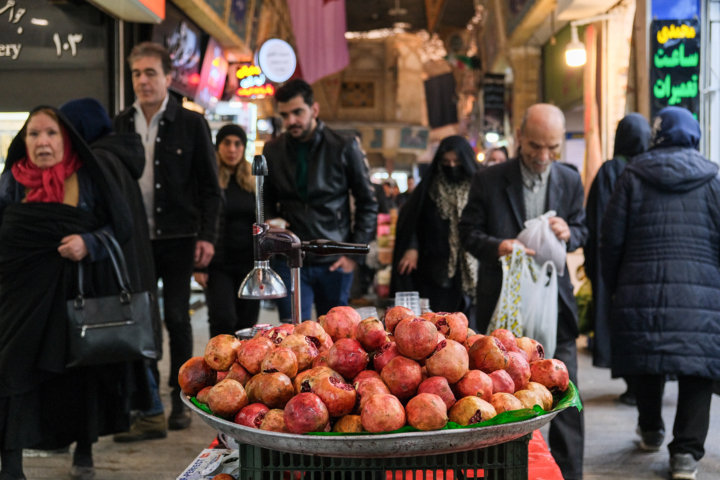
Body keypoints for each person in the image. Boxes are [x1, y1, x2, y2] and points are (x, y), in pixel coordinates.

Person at [0, 107, 150, 480]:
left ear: (66, 141)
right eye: (33, 134)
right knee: (12, 372)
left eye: (51, 133)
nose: (42, 142)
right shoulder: (13, 182)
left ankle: (83, 450)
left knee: (78, 374)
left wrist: (89, 242)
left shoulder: (89, 177)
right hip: (20, 297)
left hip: (76, 291)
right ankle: (12, 464)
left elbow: (122, 226)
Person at [459, 104, 586, 480]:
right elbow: (468, 233)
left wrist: (570, 233)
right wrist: (500, 246)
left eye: (552, 147)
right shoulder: (489, 179)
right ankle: (501, 470)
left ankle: (569, 474)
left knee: (566, 398)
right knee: (497, 394)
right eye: (535, 146)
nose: (543, 156)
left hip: (554, 306)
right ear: (519, 137)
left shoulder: (570, 179)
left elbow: (583, 228)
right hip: (504, 311)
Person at [601, 107, 720, 480]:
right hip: (702, 294)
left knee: (647, 357)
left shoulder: (632, 176)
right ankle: (685, 454)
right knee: (697, 368)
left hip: (641, 287)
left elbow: (611, 240)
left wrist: (616, 284)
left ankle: (651, 430)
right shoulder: (714, 179)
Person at [112, 42, 222, 438]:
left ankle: (180, 399)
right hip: (135, 242)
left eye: (150, 73)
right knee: (141, 323)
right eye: (137, 73)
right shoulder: (121, 123)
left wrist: (207, 237)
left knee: (177, 317)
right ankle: (148, 404)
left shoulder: (191, 124)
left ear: (168, 77)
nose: (143, 80)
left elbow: (211, 188)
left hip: (180, 238)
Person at [59, 97, 165, 425]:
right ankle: (148, 411)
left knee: (122, 340)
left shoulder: (99, 160)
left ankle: (150, 412)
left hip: (113, 263)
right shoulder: (119, 154)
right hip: (133, 260)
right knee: (132, 337)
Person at [263, 79, 378, 321]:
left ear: (314, 109)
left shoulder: (344, 146)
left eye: (298, 112)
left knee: (336, 339)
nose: (291, 121)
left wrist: (352, 256)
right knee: (293, 335)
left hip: (334, 258)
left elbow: (368, 202)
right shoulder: (272, 150)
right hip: (291, 257)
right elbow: (267, 200)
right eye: (285, 115)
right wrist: (271, 221)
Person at [584, 113, 651, 406]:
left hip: (614, 263)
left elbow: (595, 221)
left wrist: (594, 263)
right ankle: (643, 386)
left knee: (618, 324)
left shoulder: (610, 171)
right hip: (644, 265)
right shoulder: (651, 170)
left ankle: (633, 385)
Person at [392, 136, 478, 317]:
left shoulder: (478, 188)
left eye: (457, 161)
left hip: (471, 267)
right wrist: (412, 247)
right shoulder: (430, 187)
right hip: (435, 268)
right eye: (446, 162)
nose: (452, 166)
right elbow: (413, 218)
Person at [193, 125, 260, 337]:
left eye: (238, 143)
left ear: (244, 147)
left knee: (247, 324)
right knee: (223, 318)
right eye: (227, 143)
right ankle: (219, 365)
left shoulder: (253, 181)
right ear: (218, 146)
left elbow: (262, 223)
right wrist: (199, 266)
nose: (232, 149)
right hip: (218, 265)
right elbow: (199, 222)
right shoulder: (208, 179)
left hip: (249, 264)